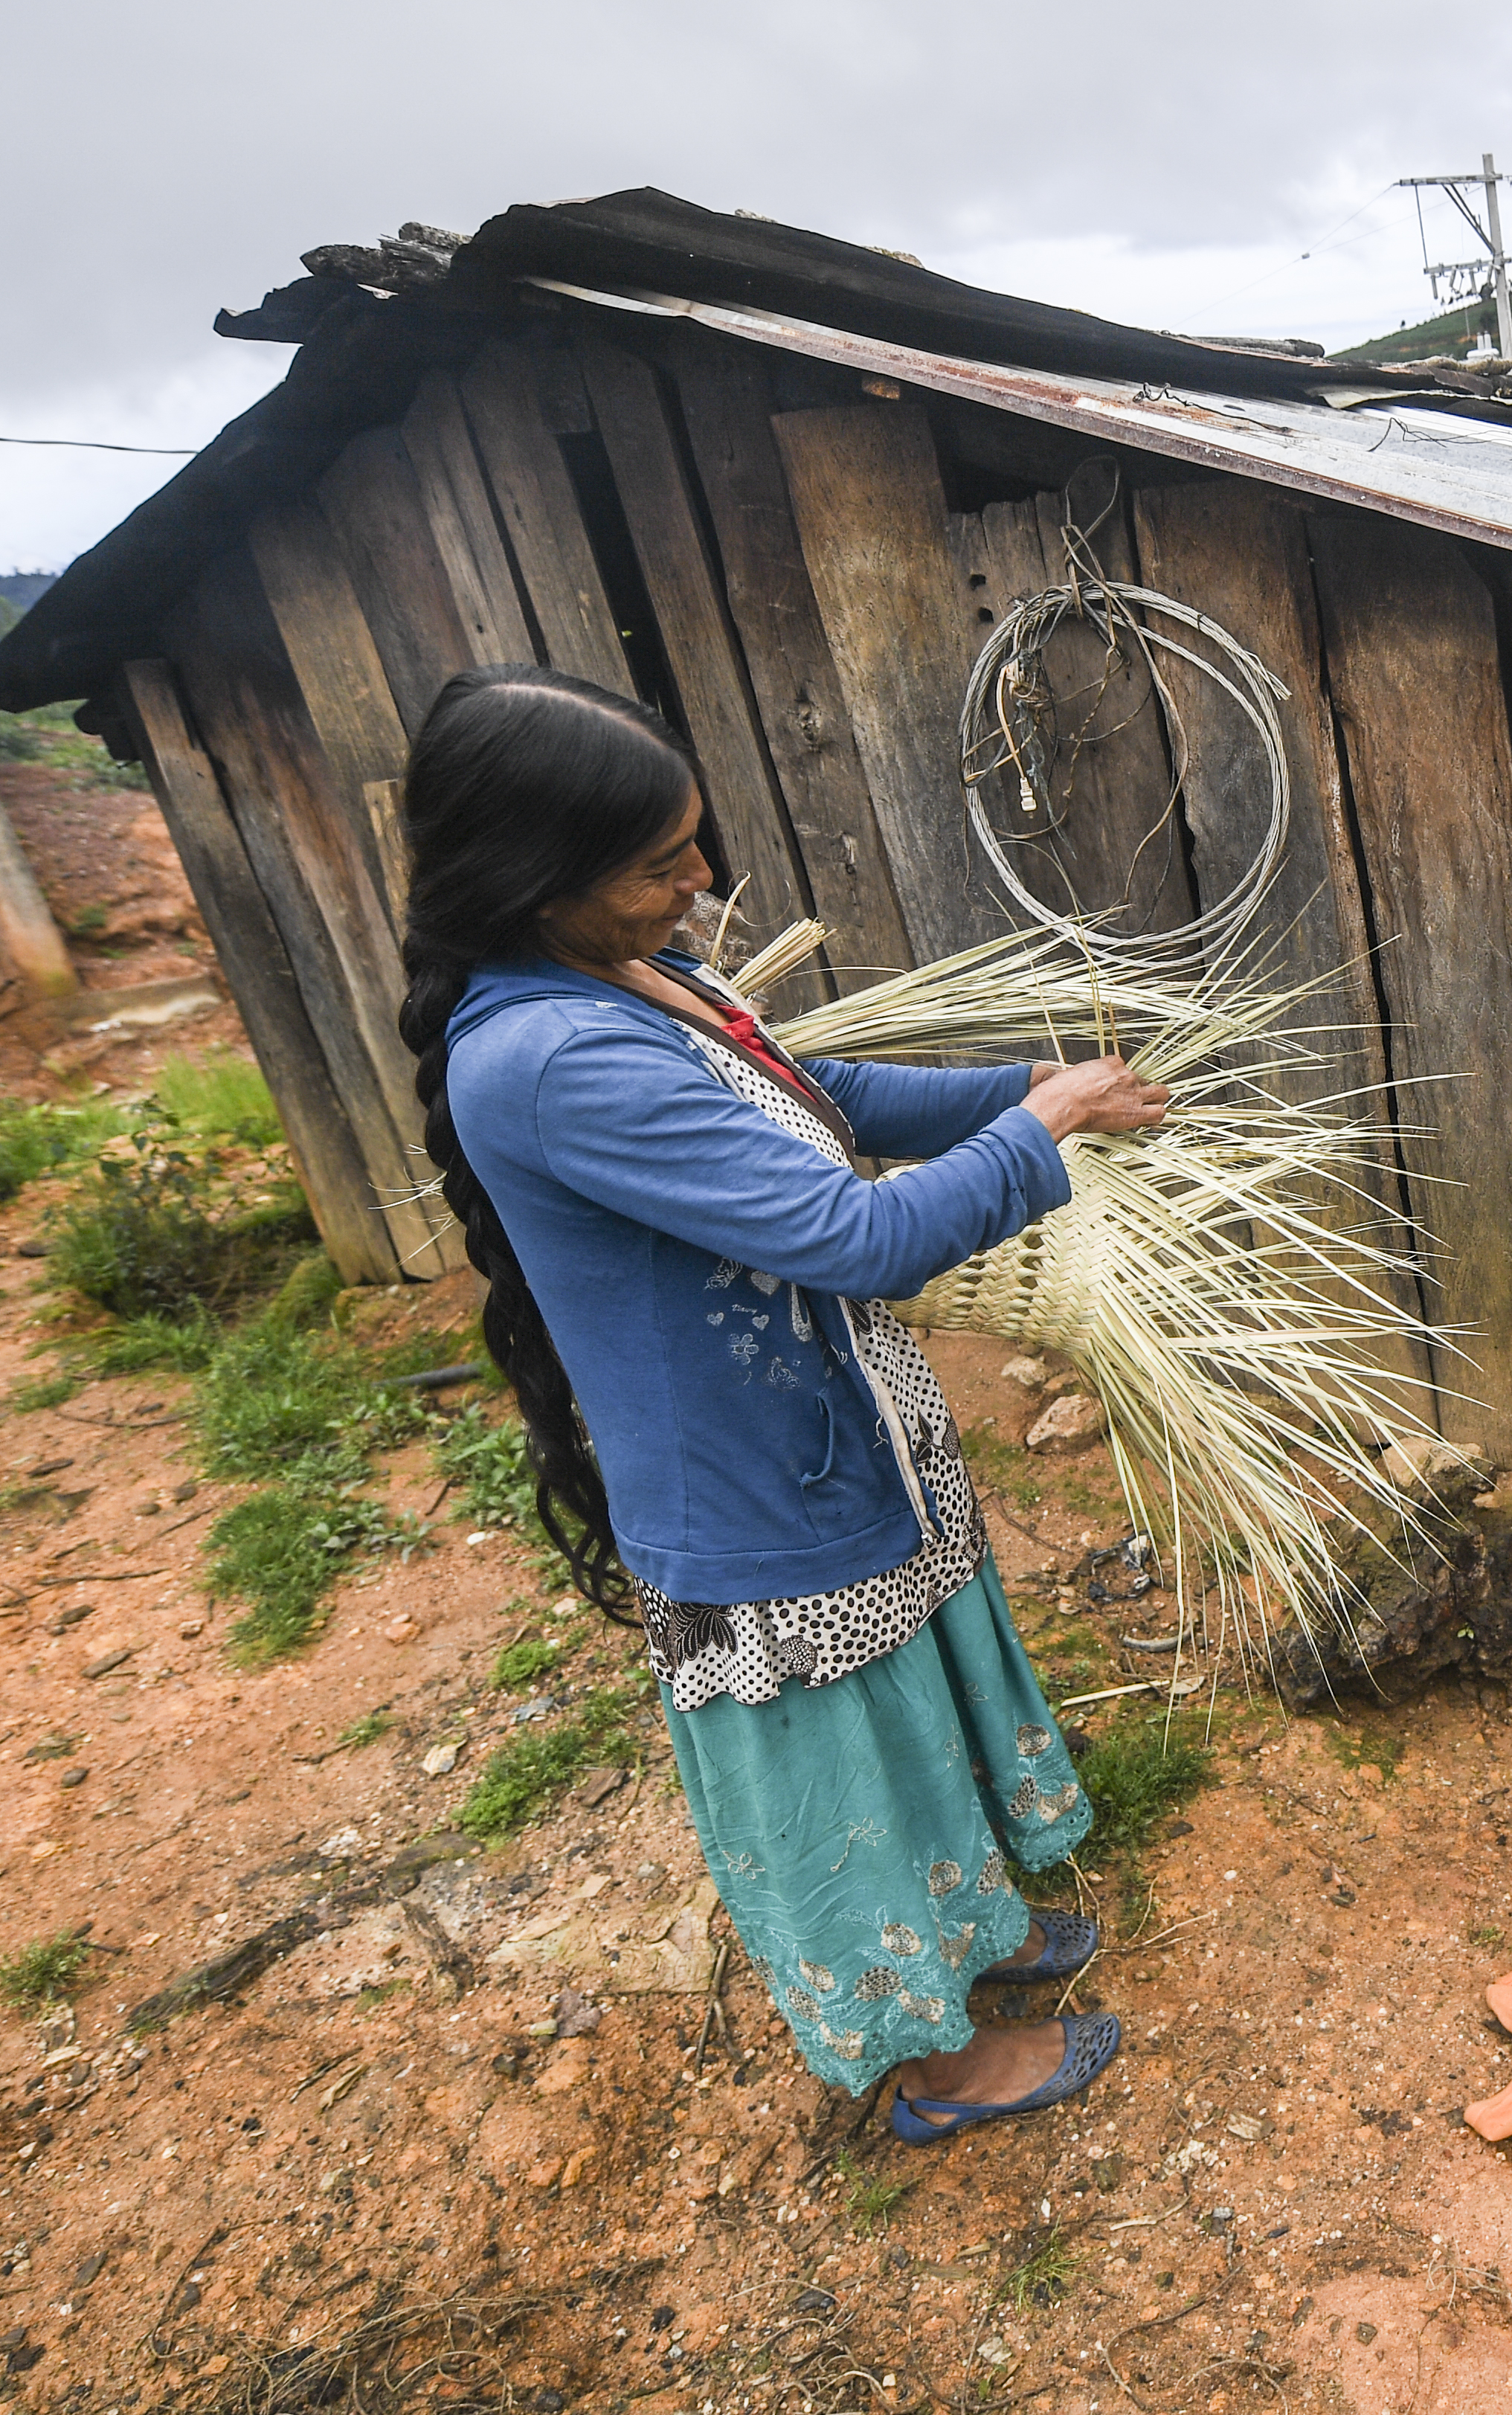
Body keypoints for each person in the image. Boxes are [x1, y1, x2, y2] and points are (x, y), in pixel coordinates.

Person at [394, 665, 1173, 2140]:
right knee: (843, 1770)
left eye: (696, 836)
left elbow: (818, 1102)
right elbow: (857, 1231)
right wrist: (1040, 1130)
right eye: (659, 860)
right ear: (531, 876)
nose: (703, 879)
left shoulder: (632, 973)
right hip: (753, 1492)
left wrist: (1030, 1081)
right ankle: (932, 2063)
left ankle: (977, 1925)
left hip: (837, 1430)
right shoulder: (551, 1059)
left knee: (916, 1704)